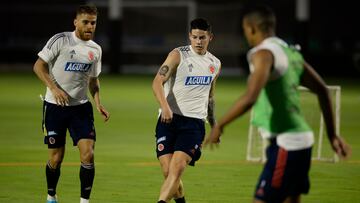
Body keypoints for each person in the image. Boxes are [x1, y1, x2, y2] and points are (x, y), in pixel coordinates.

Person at [205, 5, 351, 203]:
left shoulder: (263, 54)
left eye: (245, 30)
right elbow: (323, 91)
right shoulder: (291, 53)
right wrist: (332, 135)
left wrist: (220, 125)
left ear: (252, 28)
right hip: (303, 141)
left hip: (287, 144)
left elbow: (250, 97)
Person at [33, 4, 110, 203]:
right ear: (75, 22)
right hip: (54, 108)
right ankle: (51, 195)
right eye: (85, 22)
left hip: (81, 109)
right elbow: (38, 66)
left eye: (93, 23)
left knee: (88, 154)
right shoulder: (61, 40)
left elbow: (93, 80)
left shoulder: (96, 50)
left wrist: (99, 102)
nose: (90, 26)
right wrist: (54, 89)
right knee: (56, 158)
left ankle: (84, 201)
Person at [152, 18, 221, 203]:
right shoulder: (178, 55)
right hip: (168, 120)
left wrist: (214, 124)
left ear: (210, 38)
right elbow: (157, 82)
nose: (198, 41)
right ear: (190, 36)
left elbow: (210, 97)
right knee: (168, 172)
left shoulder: (215, 63)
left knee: (176, 169)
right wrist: (165, 107)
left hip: (194, 124)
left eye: (202, 37)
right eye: (195, 37)